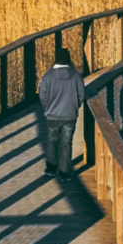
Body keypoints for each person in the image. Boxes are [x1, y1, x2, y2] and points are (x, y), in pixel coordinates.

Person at [36, 45, 86, 174]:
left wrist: (48, 107)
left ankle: (51, 169)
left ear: (56, 60)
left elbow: (43, 96)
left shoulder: (47, 76)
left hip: (52, 115)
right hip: (70, 115)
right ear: (69, 60)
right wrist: (75, 106)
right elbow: (81, 95)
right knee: (67, 144)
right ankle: (65, 172)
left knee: (52, 141)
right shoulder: (76, 75)